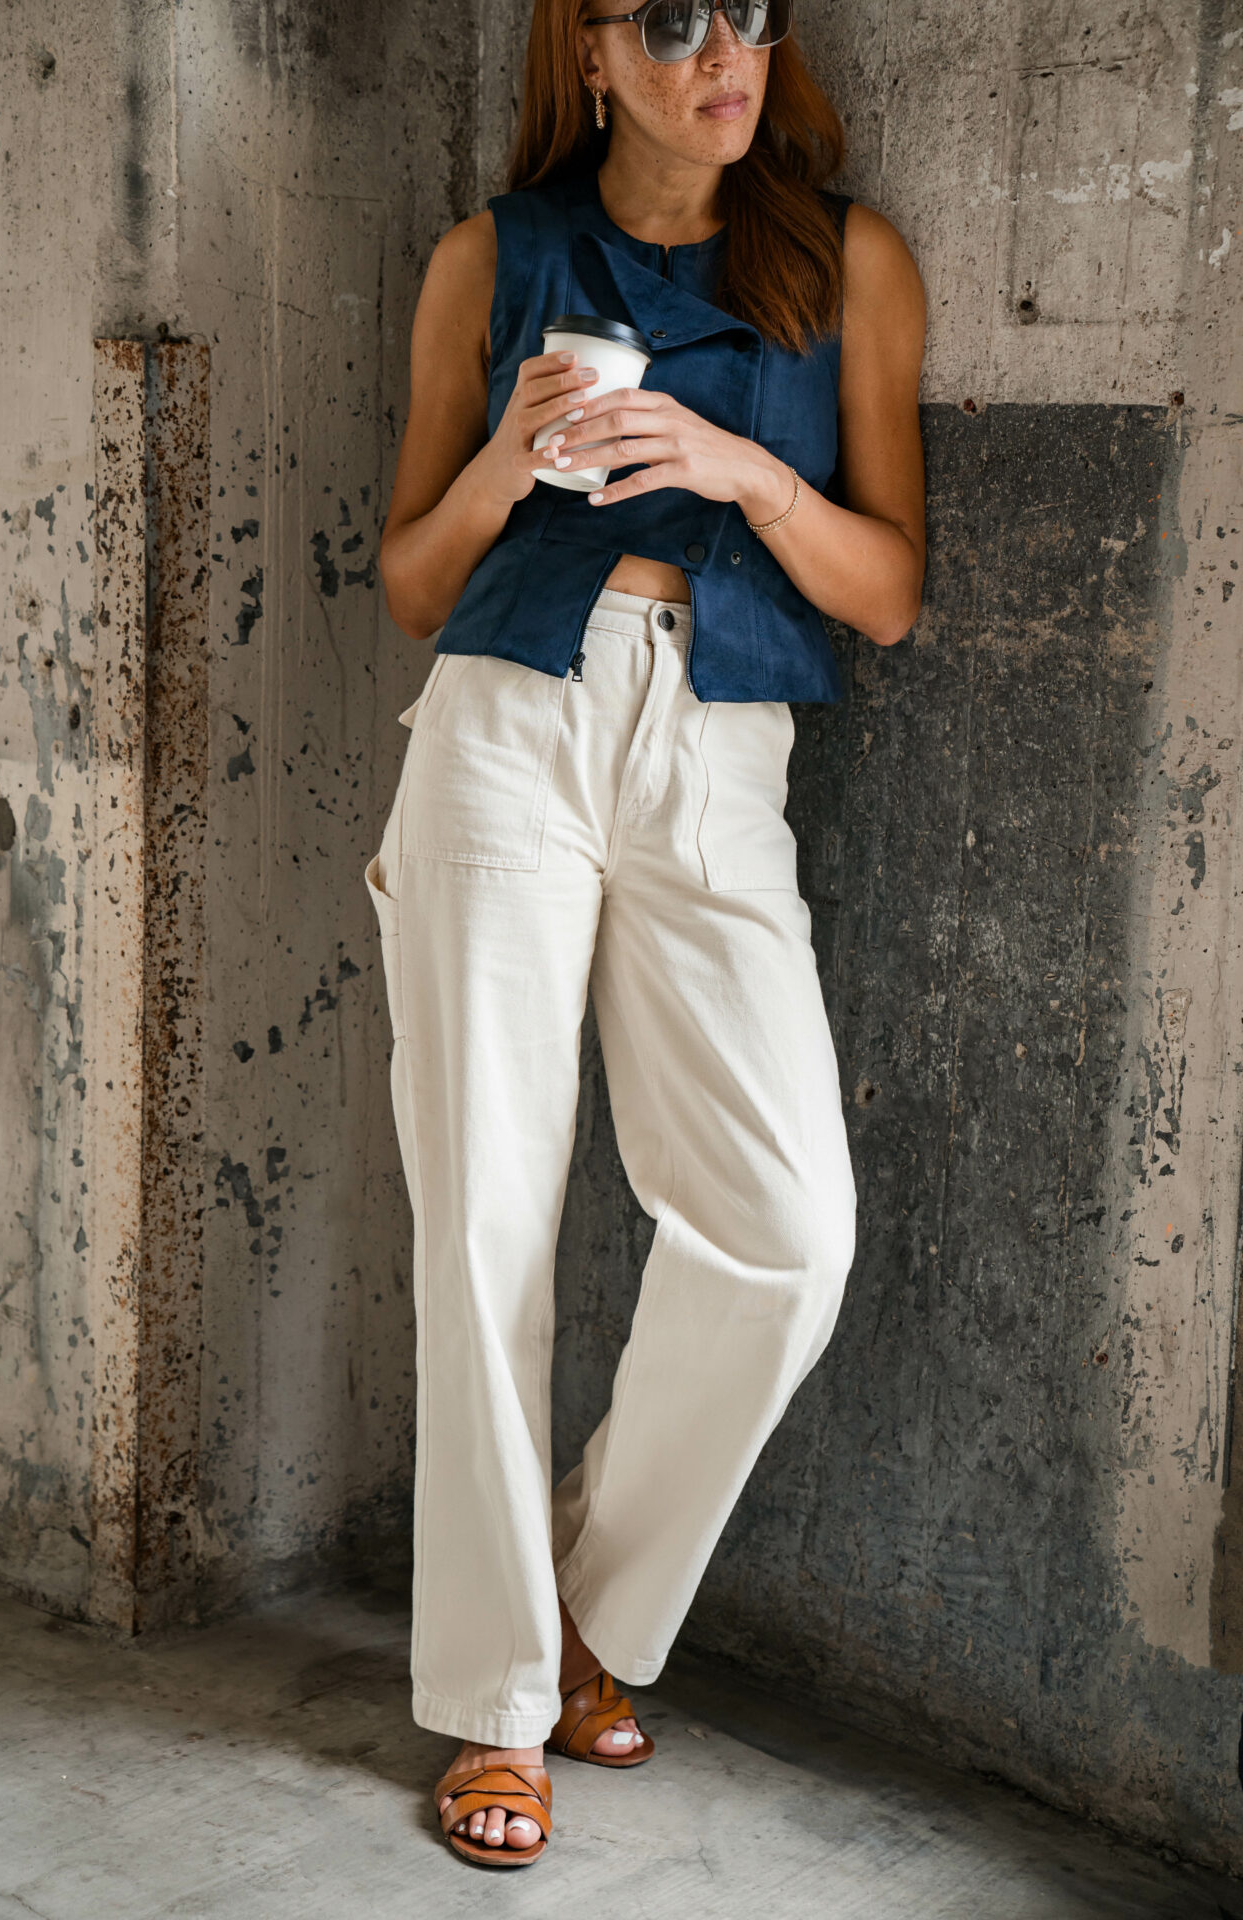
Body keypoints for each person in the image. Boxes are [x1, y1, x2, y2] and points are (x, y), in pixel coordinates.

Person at [367, 0, 925, 1870]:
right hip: (511, 726)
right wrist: (509, 462)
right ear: (590, 55)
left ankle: (591, 1606)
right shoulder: (493, 256)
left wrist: (746, 471)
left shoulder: (842, 262)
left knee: (788, 1230)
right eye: (671, 21)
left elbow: (894, 591)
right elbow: (408, 581)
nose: (723, 52)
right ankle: (501, 1708)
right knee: (487, 1225)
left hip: (720, 736)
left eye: (746, 13)